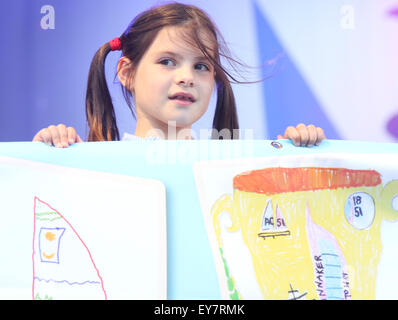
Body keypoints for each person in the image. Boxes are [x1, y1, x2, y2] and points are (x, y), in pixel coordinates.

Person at [33, 2, 326, 147]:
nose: (187, 77)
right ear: (127, 72)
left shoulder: (232, 171)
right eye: (167, 61)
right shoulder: (90, 168)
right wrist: (46, 156)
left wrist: (303, 154)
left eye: (201, 66)